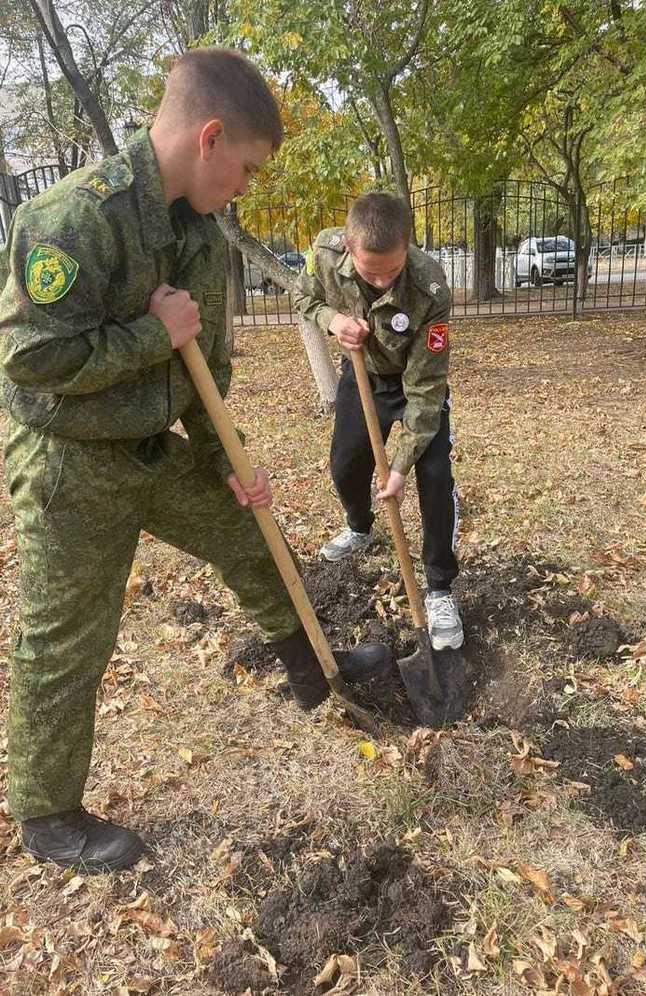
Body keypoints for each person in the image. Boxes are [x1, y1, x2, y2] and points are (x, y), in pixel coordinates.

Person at [0, 48, 390, 873]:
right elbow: (31, 363)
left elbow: (204, 366)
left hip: (154, 446)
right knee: (67, 637)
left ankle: (314, 673)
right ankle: (48, 815)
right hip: (71, 464)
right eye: (246, 167)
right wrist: (152, 334)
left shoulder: (200, 235)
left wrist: (225, 461)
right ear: (209, 137)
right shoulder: (72, 219)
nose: (246, 186)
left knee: (251, 536)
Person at [294, 193, 463, 652]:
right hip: (362, 375)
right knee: (345, 464)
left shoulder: (429, 285)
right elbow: (303, 297)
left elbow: (426, 389)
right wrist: (332, 321)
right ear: (348, 247)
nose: (383, 279)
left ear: (407, 244)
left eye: (392, 269)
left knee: (433, 478)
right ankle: (360, 528)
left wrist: (400, 466)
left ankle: (440, 587)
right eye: (371, 272)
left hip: (414, 384)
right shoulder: (325, 254)